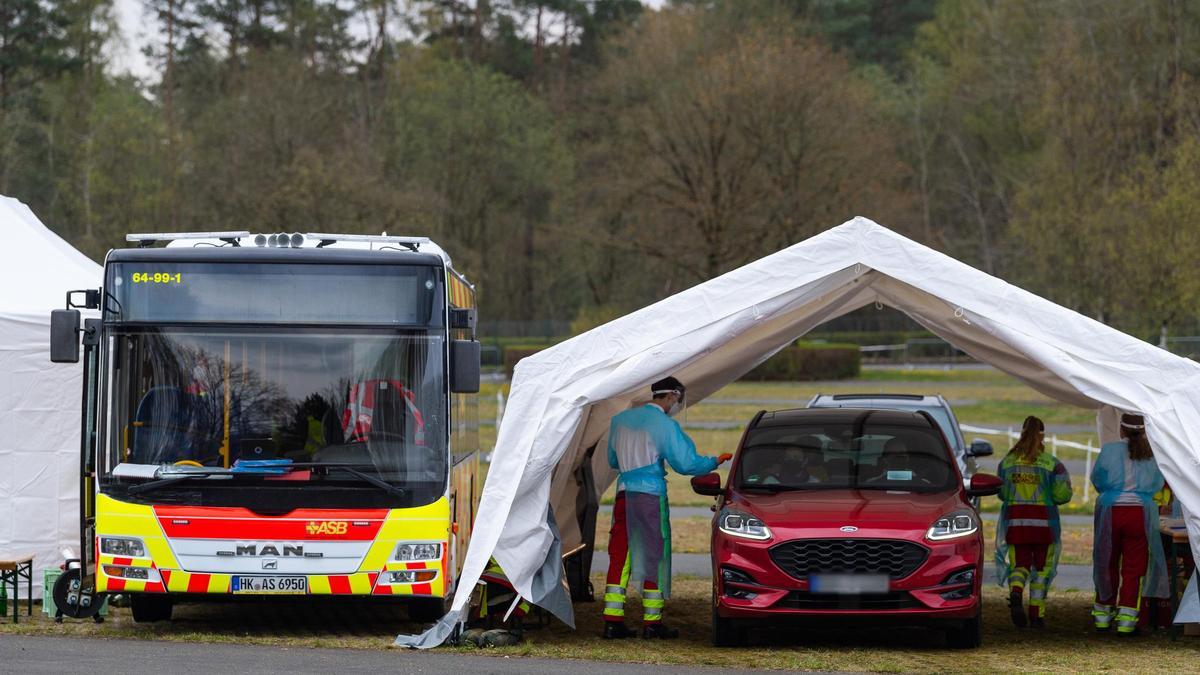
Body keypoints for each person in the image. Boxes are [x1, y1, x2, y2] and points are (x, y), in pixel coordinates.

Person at [602, 376, 731, 640]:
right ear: (672, 395)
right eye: (678, 399)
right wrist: (714, 461)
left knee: (620, 553)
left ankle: (612, 621)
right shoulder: (664, 425)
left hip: (624, 494)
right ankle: (652, 622)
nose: (677, 404)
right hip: (650, 496)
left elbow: (613, 459)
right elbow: (685, 463)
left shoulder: (620, 421)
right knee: (654, 555)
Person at [1091, 413, 1169, 635]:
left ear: (1121, 430)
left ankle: (1102, 617)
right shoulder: (1150, 453)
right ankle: (1126, 622)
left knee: (1106, 561)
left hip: (1111, 511)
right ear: (1144, 431)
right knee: (1134, 567)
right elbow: (1157, 483)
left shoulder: (1109, 450)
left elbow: (1097, 479)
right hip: (1140, 514)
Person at [995, 416, 1072, 628]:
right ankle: (1037, 615)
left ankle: (1016, 592)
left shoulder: (1007, 462)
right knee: (1042, 569)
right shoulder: (1052, 463)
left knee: (1019, 565)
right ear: (1042, 436)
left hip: (1015, 522)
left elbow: (1000, 492)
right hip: (1043, 524)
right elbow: (1063, 495)